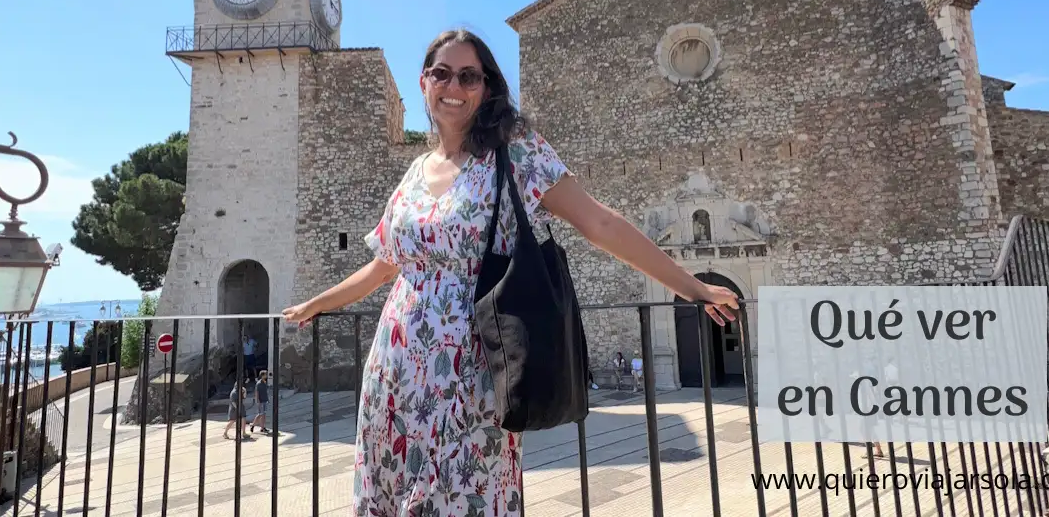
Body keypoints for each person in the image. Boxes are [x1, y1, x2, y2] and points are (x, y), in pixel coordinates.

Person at [281, 28, 739, 516]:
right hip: (395, 371)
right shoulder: (413, 173)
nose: (453, 86)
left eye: (468, 76)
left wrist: (690, 286)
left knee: (467, 495)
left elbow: (599, 222)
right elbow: (384, 265)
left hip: (474, 370)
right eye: (442, 73)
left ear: (486, 87)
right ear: (424, 83)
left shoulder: (515, 150)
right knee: (390, 489)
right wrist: (318, 303)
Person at [250, 370, 270, 435]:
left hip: (265, 400)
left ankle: (262, 427)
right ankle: (253, 425)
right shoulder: (258, 383)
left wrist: (267, 399)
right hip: (260, 401)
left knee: (264, 414)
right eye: (265, 374)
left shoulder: (265, 382)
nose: (266, 375)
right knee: (260, 414)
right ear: (262, 375)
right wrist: (257, 400)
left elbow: (265, 391)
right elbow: (257, 392)